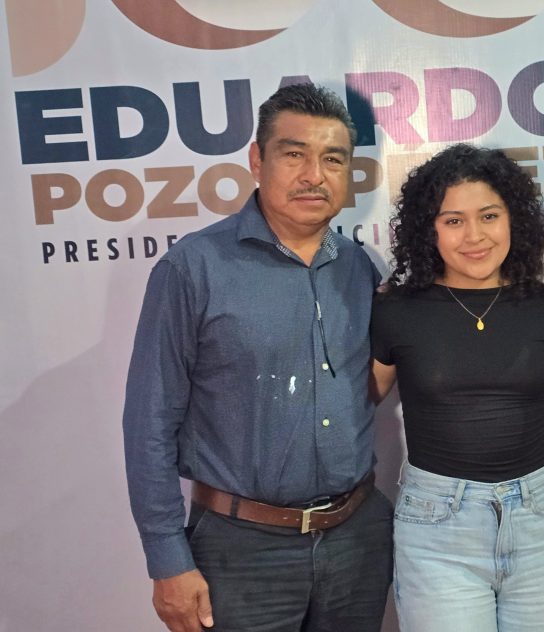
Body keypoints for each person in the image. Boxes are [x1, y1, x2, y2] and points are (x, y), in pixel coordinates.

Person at [122, 83, 393, 632]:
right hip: (240, 553)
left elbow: (366, 386)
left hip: (357, 541)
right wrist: (167, 558)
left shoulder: (359, 268)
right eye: (294, 154)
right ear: (256, 161)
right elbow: (149, 421)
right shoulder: (193, 269)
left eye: (333, 159)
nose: (314, 175)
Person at [370, 143, 544, 631]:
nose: (474, 236)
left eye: (489, 216)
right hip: (438, 528)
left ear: (514, 219)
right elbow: (356, 402)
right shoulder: (396, 308)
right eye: (453, 221)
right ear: (429, 229)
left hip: (542, 518)